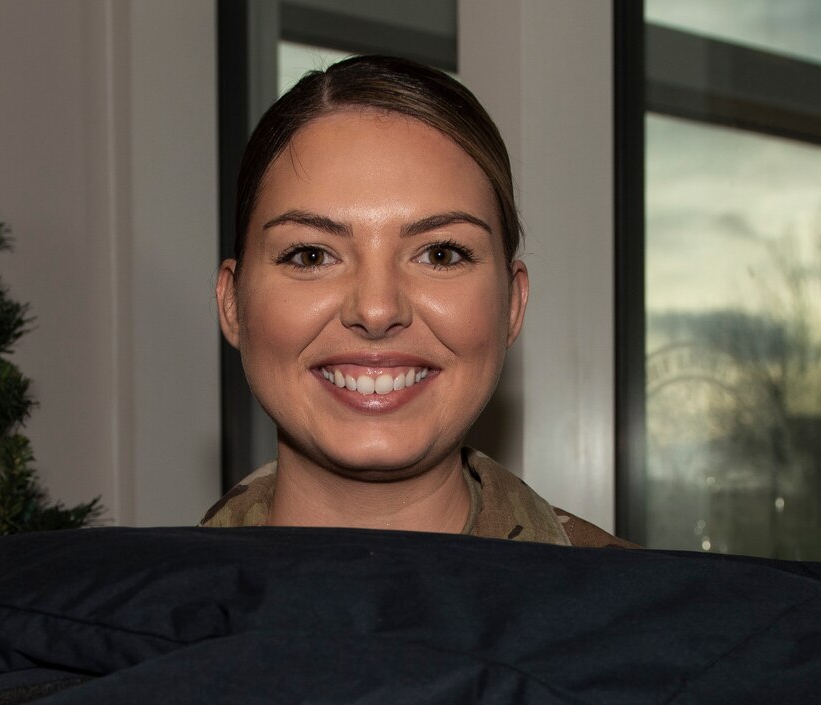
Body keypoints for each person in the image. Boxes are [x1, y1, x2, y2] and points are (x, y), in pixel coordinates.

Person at [204, 55, 631, 547]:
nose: (377, 310)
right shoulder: (110, 615)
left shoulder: (657, 619)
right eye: (312, 255)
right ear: (232, 303)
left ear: (512, 304)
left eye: (440, 254)